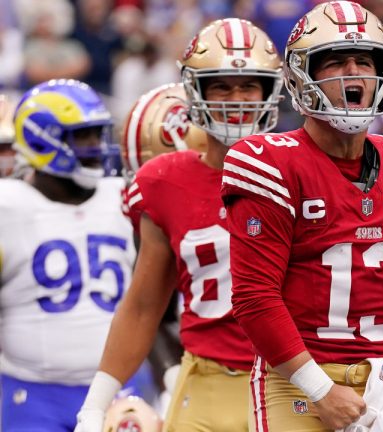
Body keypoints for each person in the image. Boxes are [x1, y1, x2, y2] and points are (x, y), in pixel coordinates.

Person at [220, 3, 383, 432]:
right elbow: (254, 297)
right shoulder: (267, 161)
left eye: (364, 61)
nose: (353, 73)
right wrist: (320, 389)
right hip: (298, 382)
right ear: (302, 76)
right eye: (335, 62)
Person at [75, 18, 283, 432]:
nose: (236, 99)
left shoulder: (304, 170)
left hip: (291, 382)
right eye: (221, 86)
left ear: (270, 90)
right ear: (194, 93)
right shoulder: (166, 181)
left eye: (248, 85)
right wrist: (94, 407)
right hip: (206, 379)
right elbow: (143, 306)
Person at [0, 79, 136, 431]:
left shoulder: (123, 197)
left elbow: (150, 303)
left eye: (97, 134)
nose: (95, 147)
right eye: (83, 136)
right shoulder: (9, 207)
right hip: (30, 394)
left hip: (119, 392)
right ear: (42, 138)